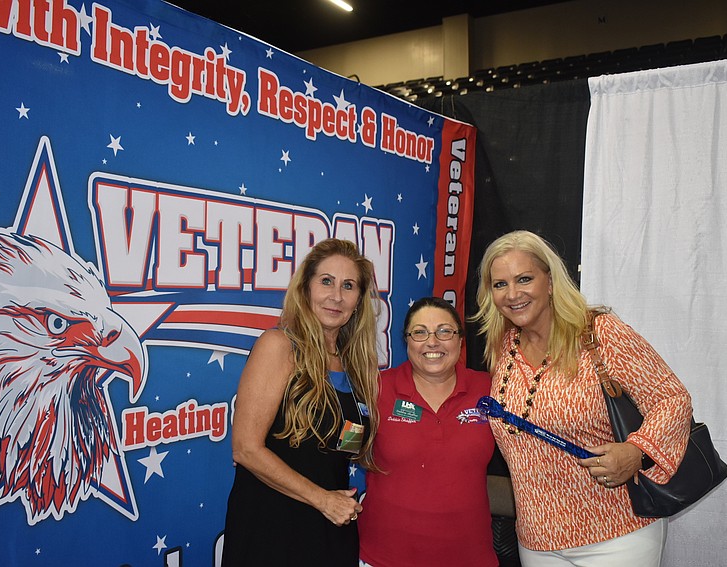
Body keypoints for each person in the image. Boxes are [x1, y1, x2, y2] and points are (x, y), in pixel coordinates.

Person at [471, 230, 693, 567]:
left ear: (550, 280)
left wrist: (637, 451)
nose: (512, 294)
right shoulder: (502, 344)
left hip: (617, 535)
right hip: (537, 540)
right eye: (500, 284)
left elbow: (672, 398)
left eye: (524, 278)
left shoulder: (599, 333)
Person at [221, 238, 380, 566]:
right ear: (305, 287)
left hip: (330, 526)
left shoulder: (354, 363)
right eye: (326, 281)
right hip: (272, 525)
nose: (336, 296)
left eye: (348, 286)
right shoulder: (279, 345)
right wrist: (322, 499)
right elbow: (246, 449)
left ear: (359, 300)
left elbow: (342, 445)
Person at [358, 296, 498, 567]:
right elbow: (341, 448)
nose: (432, 342)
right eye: (420, 332)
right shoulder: (375, 389)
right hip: (385, 557)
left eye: (444, 331)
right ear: (407, 341)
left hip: (470, 557)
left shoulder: (488, 389)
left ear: (460, 340)